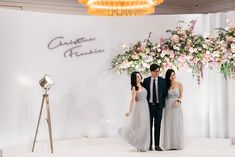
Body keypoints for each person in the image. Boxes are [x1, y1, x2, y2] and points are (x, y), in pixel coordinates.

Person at [118, 71, 150, 152]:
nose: (139, 78)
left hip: (145, 106)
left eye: (139, 76)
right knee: (140, 126)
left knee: (145, 126)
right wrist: (129, 111)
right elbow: (132, 100)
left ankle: (142, 145)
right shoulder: (134, 88)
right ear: (134, 79)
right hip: (139, 107)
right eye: (137, 77)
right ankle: (138, 144)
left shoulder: (143, 85)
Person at [143, 64, 167, 151]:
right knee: (149, 126)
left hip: (158, 107)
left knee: (157, 126)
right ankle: (149, 144)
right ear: (151, 71)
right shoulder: (146, 81)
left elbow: (164, 94)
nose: (157, 73)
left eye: (158, 71)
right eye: (155, 71)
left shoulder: (162, 81)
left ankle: (157, 145)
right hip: (149, 106)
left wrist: (162, 104)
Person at [162, 69, 184, 150]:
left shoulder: (179, 84)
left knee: (176, 123)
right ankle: (169, 144)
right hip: (168, 105)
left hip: (176, 105)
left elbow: (181, 95)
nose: (172, 77)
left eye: (173, 74)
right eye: (170, 75)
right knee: (168, 123)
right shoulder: (166, 84)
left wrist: (178, 101)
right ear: (168, 76)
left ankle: (177, 143)